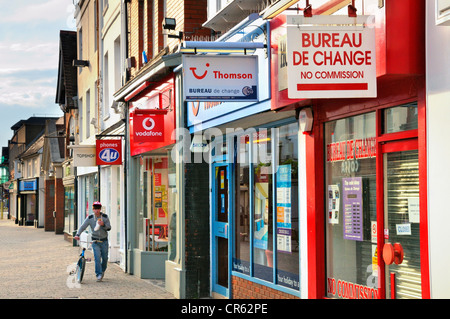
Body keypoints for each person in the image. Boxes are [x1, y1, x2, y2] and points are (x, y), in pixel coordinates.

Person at [74, 201, 111, 282]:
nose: (96, 211)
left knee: (105, 258)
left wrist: (103, 225)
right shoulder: (90, 218)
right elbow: (83, 226)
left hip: (104, 241)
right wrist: (77, 234)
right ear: (93, 209)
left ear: (100, 209)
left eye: (98, 209)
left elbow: (109, 228)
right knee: (97, 258)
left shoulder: (105, 217)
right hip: (95, 241)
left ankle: (102, 270)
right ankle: (98, 274)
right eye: (95, 209)